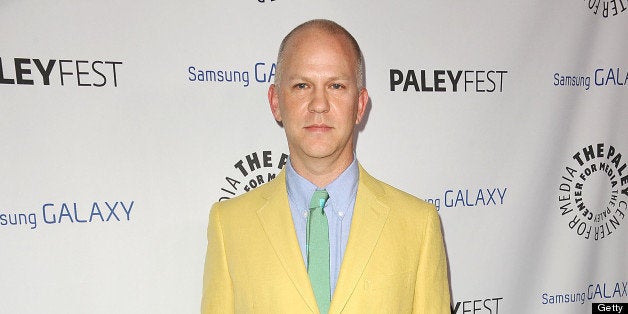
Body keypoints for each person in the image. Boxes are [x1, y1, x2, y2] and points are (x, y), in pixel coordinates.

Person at [201, 19, 450, 313]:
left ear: (359, 105)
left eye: (336, 85)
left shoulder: (418, 225)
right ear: (276, 101)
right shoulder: (228, 224)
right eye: (302, 85)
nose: (319, 104)